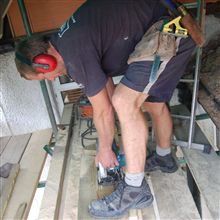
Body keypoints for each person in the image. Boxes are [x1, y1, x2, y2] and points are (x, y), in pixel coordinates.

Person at [15, 0, 195, 218]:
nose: (51, 79)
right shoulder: (67, 42)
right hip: (167, 27)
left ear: (45, 63)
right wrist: (116, 141)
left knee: (125, 102)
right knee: (150, 102)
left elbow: (104, 110)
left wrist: (105, 149)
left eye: (44, 76)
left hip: (166, 31)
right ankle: (165, 158)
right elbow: (105, 93)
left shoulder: (73, 54)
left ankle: (134, 190)